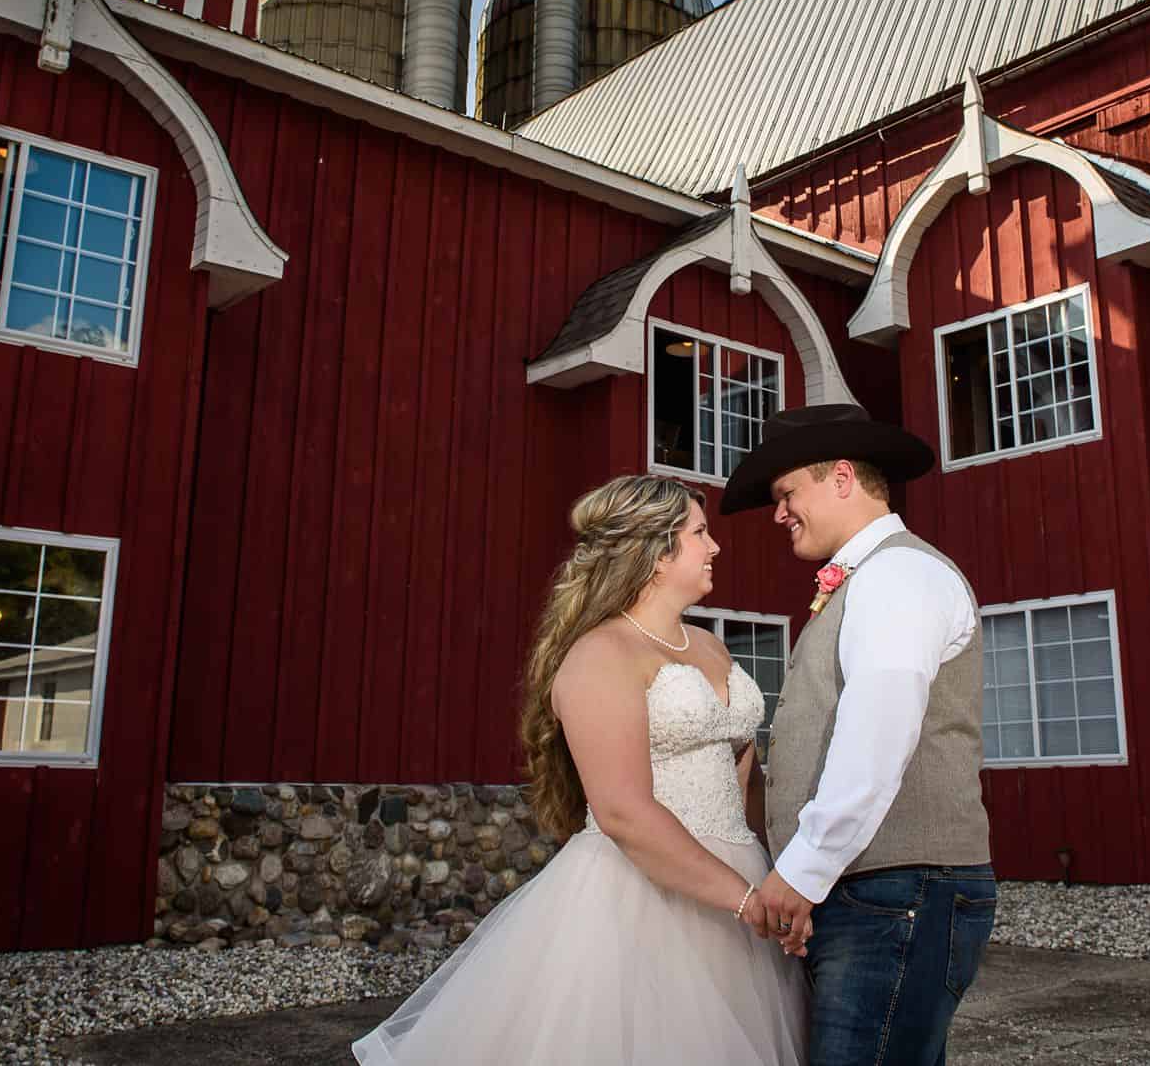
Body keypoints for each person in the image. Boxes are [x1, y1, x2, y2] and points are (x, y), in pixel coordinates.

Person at [352, 475, 807, 1065]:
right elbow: (621, 810)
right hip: (639, 896)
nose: (714, 547)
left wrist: (776, 870)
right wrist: (744, 900)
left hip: (741, 872)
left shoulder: (711, 647)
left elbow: (742, 760)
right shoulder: (601, 655)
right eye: (700, 533)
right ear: (655, 551)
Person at [719, 403, 996, 1066]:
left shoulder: (899, 574)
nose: (778, 512)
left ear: (842, 476)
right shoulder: (873, 578)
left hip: (899, 891)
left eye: (787, 493)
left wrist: (803, 872)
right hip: (877, 890)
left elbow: (878, 734)